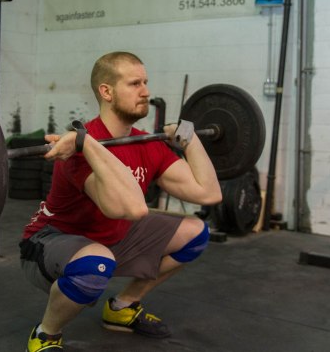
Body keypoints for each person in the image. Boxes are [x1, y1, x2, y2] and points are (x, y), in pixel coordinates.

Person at [20, 51, 222, 352]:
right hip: (51, 242)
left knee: (196, 233)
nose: (146, 91)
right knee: (96, 264)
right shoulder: (76, 151)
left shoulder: (144, 142)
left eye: (146, 82)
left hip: (113, 236)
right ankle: (46, 334)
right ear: (107, 91)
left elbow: (209, 194)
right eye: (135, 84)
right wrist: (85, 142)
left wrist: (190, 139)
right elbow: (129, 208)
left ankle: (122, 307)